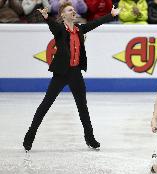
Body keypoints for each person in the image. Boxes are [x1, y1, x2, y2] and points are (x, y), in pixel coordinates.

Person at [23, 2, 120, 152]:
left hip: (75, 73)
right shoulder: (60, 29)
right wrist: (47, 18)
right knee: (45, 105)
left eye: (74, 9)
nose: (73, 11)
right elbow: (53, 27)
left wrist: (111, 15)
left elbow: (95, 23)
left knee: (83, 108)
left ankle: (90, 138)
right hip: (61, 73)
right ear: (63, 15)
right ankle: (29, 136)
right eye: (70, 10)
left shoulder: (80, 29)